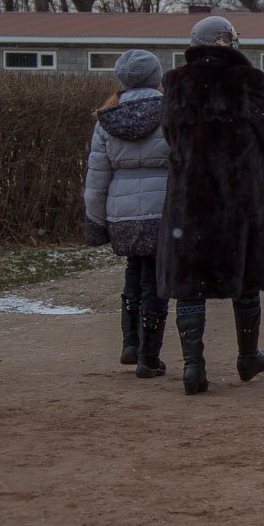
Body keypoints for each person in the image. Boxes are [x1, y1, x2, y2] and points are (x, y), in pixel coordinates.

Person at [158, 17, 264, 396]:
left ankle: (193, 366)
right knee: (245, 276)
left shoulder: (176, 85)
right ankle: (248, 356)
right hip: (240, 196)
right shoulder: (246, 82)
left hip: (189, 197)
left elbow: (170, 136)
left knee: (189, 283)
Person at [83, 49, 171, 378]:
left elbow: (96, 178)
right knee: (156, 278)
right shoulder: (171, 113)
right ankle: (150, 356)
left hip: (121, 213)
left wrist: (96, 221)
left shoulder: (107, 118)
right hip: (163, 209)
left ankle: (130, 342)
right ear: (156, 78)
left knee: (134, 268)